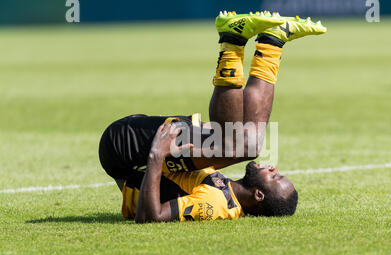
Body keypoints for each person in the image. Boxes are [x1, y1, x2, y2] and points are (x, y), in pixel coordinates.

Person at [98, 11, 326, 222]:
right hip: (142, 149)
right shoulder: (226, 191)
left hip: (123, 151)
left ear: (259, 195)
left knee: (241, 145)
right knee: (249, 144)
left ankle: (233, 39)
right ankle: (273, 42)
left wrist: (157, 154)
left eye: (275, 178)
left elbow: (150, 217)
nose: (275, 169)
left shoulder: (216, 204)